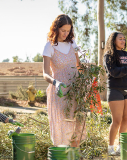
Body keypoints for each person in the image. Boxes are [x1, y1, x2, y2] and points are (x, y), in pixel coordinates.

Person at [42, 14, 85, 147]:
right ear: (56, 29)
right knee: (63, 124)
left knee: (76, 123)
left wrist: (88, 76)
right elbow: (45, 73)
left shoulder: (73, 44)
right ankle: (62, 154)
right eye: (63, 30)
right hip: (60, 91)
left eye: (68, 30)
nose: (66, 33)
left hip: (75, 90)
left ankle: (73, 155)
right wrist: (56, 82)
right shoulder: (49, 46)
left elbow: (79, 66)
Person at [103, 31, 127, 155]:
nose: (123, 41)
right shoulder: (109, 55)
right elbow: (114, 72)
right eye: (120, 39)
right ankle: (110, 148)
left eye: (124, 39)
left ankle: (121, 147)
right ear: (113, 41)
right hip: (116, 89)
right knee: (117, 120)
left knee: (126, 119)